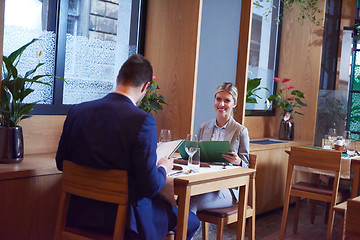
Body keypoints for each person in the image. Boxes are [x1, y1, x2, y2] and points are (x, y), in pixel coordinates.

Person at [56, 54, 199, 240]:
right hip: (125, 223)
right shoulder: (142, 120)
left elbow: (61, 163)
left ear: (117, 79)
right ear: (146, 87)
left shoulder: (77, 111)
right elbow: (149, 187)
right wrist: (163, 167)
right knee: (191, 221)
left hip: (78, 214)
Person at [190, 82, 250, 213]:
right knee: (180, 199)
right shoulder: (203, 127)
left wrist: (238, 162)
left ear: (234, 104)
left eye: (227, 100)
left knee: (190, 203)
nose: (221, 104)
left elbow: (247, 167)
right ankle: (179, 233)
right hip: (203, 183)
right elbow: (196, 156)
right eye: (218, 99)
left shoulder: (241, 131)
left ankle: (184, 233)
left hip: (227, 189)